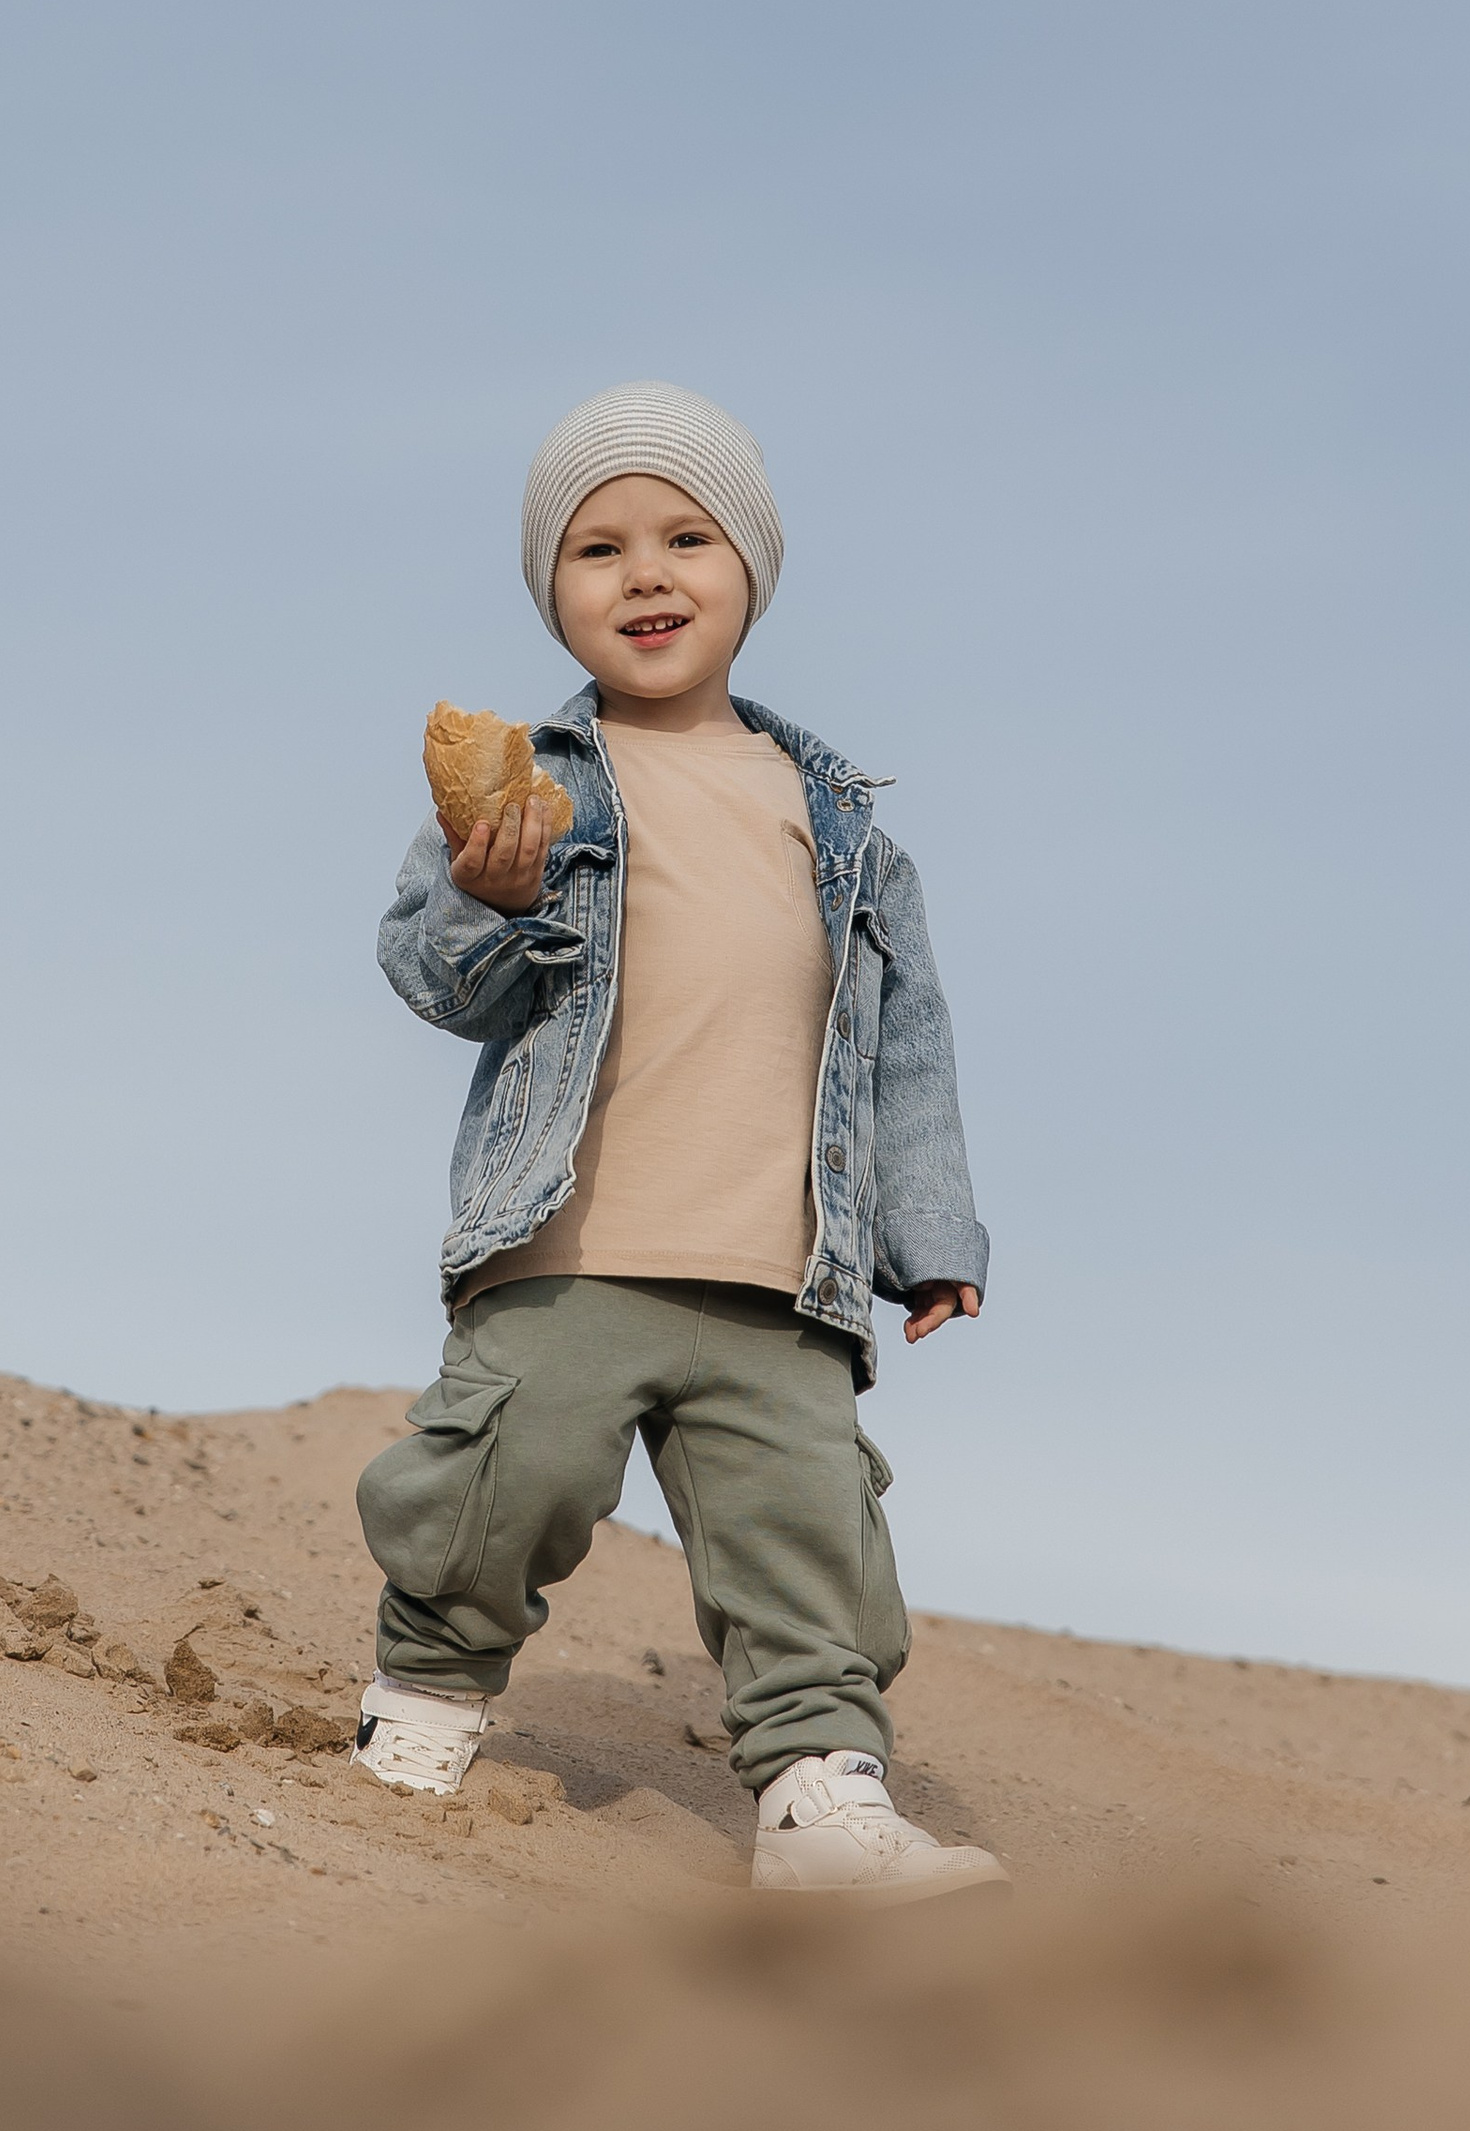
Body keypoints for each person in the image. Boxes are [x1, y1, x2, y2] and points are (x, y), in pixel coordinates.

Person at [355, 381, 1005, 1898]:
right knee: (496, 1490)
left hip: (782, 1274)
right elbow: (431, 980)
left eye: (686, 537)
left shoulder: (840, 818)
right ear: (554, 594)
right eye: (596, 550)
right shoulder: (533, 783)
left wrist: (931, 1233)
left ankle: (821, 1797)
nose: (645, 574)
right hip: (571, 1247)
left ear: (751, 570)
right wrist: (491, 901)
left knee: (811, 1543)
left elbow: (905, 1043)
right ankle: (425, 1704)